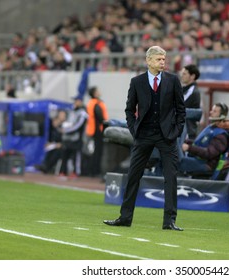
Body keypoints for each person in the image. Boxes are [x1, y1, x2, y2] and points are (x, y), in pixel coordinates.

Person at [103, 46, 186, 231]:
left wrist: (177, 131)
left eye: (164, 59)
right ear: (148, 61)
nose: (162, 62)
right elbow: (129, 110)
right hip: (144, 136)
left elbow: (181, 110)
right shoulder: (137, 82)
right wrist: (134, 130)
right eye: (158, 59)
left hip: (167, 137)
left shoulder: (173, 81)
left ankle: (169, 221)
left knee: (171, 178)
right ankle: (125, 218)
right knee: (133, 176)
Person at [179, 103, 229, 174]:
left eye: (214, 111)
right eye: (212, 110)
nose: (211, 112)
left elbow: (209, 153)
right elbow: (201, 144)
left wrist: (189, 148)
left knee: (178, 162)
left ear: (222, 115)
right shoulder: (212, 128)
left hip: (207, 165)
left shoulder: (221, 135)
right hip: (199, 160)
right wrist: (187, 142)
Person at [58, 97, 88, 179]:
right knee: (65, 155)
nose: (75, 102)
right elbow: (66, 122)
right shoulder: (71, 111)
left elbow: (78, 126)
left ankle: (76, 172)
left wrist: (67, 130)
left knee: (76, 156)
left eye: (77, 101)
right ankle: (63, 172)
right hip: (68, 138)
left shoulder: (83, 113)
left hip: (77, 139)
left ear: (80, 101)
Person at [85, 86, 109, 177]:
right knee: (98, 152)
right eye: (98, 91)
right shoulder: (97, 104)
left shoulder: (91, 103)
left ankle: (91, 171)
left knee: (93, 151)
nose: (99, 92)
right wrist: (106, 125)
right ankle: (95, 171)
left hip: (91, 131)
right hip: (98, 131)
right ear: (95, 93)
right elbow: (100, 118)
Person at [180, 64, 201, 140]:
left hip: (188, 132)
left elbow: (179, 105)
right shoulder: (185, 89)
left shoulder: (193, 91)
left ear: (192, 76)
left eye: (184, 74)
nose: (182, 76)